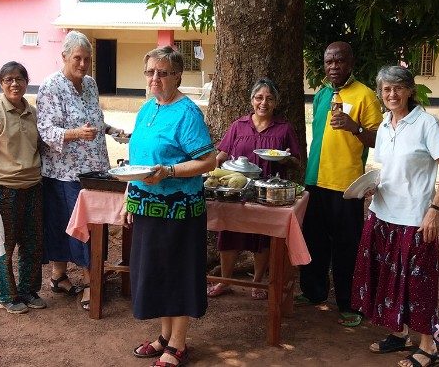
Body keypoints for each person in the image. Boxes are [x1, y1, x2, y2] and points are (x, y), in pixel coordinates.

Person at [352, 66, 439, 367]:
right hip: (382, 212)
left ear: (410, 90)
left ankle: (429, 346)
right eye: (386, 89)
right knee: (386, 277)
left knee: (417, 283)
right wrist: (371, 186)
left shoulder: (426, 124)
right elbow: (387, 169)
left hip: (415, 217)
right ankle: (399, 334)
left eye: (398, 88)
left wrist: (434, 211)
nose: (392, 94)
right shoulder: (384, 125)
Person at [124, 46, 216, 367]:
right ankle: (164, 335)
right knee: (156, 272)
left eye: (162, 73)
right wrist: (129, 197)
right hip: (148, 208)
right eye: (150, 72)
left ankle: (178, 343)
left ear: (177, 75)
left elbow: (208, 160)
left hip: (180, 211)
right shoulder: (147, 109)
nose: (155, 78)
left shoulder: (187, 113)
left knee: (176, 273)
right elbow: (137, 160)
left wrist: (170, 171)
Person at [297, 41, 383, 327]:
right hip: (315, 180)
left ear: (351, 63)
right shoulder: (321, 94)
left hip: (347, 185)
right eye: (329, 62)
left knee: (348, 246)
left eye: (340, 61)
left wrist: (354, 127)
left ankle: (349, 303)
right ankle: (314, 292)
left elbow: (379, 140)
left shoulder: (366, 95)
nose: (334, 67)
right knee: (314, 241)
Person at [37, 31, 125, 311]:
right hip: (64, 172)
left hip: (95, 168)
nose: (84, 64)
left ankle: (61, 276)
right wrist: (75, 133)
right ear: (64, 57)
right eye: (78, 58)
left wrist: (111, 130)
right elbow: (46, 131)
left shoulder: (90, 84)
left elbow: (95, 119)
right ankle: (87, 282)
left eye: (88, 59)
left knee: (87, 224)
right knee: (74, 226)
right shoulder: (50, 87)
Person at [207, 78, 302, 300]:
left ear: (275, 102)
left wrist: (285, 158)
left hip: (266, 194)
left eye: (269, 98)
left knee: (262, 238)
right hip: (236, 192)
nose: (263, 102)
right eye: (259, 97)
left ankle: (258, 282)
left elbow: (296, 161)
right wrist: (209, 166)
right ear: (252, 100)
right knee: (228, 235)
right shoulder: (238, 125)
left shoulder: (284, 128)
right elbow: (222, 154)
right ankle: (225, 281)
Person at [0, 61, 45, 314]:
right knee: (3, 244)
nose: (14, 84)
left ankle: (28, 290)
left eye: (19, 79)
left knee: (33, 243)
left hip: (34, 187)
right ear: (1, 83)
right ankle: (6, 295)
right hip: (4, 189)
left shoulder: (34, 112)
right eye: (8, 80)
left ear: (26, 82)